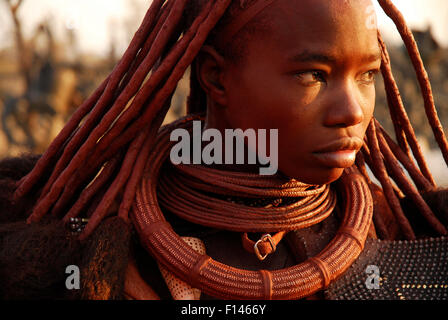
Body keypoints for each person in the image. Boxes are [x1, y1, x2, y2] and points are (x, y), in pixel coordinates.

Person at [0, 0, 447, 300]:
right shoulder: (83, 241)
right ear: (216, 77)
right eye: (313, 75)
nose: (353, 111)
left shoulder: (403, 238)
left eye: (368, 75)